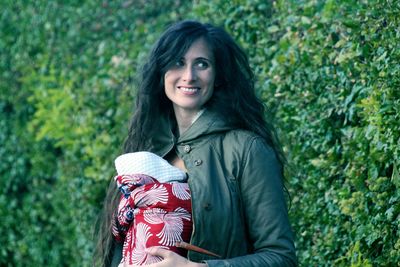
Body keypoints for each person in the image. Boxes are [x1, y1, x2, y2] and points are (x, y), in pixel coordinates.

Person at [94, 20, 297, 267]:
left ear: (218, 74)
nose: (189, 76)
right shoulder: (148, 150)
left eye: (202, 64)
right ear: (162, 72)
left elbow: (281, 257)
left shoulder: (246, 150)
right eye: (178, 62)